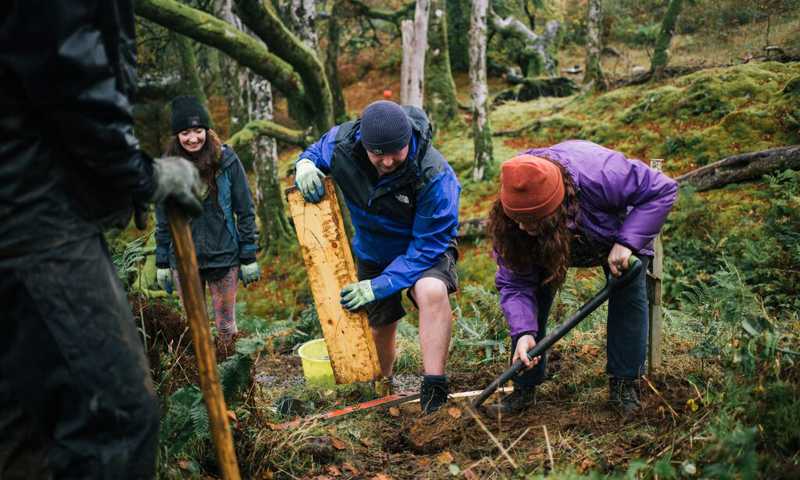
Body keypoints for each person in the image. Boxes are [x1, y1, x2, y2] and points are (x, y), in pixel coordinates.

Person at [0, 1, 204, 478]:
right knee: (113, 419)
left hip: (28, 203)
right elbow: (65, 69)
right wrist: (137, 177)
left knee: (27, 425)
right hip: (32, 216)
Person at [487, 140, 678, 416]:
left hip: (615, 234)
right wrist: (524, 332)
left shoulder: (603, 174)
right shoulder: (515, 209)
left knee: (627, 287)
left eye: (533, 221)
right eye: (516, 219)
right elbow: (515, 283)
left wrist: (628, 242)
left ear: (556, 206)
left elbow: (662, 189)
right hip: (554, 240)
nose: (523, 227)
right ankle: (524, 386)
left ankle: (624, 385)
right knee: (531, 303)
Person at [294, 100, 461, 414]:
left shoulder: (434, 175)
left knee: (431, 291)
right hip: (373, 248)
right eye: (378, 154)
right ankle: (382, 386)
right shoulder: (343, 144)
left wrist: (382, 284)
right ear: (363, 145)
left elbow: (427, 246)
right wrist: (304, 165)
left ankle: (434, 384)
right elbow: (317, 151)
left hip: (424, 248)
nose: (387, 162)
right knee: (379, 324)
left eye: (396, 152)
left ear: (407, 142)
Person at [155, 95, 260, 343]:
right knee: (195, 328)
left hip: (224, 256)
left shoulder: (226, 161)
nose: (193, 138)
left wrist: (248, 255)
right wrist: (161, 261)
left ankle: (233, 380)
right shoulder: (167, 168)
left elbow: (244, 209)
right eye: (185, 132)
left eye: (198, 130)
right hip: (183, 260)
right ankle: (205, 380)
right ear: (176, 136)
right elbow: (162, 219)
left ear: (206, 130)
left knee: (226, 328)